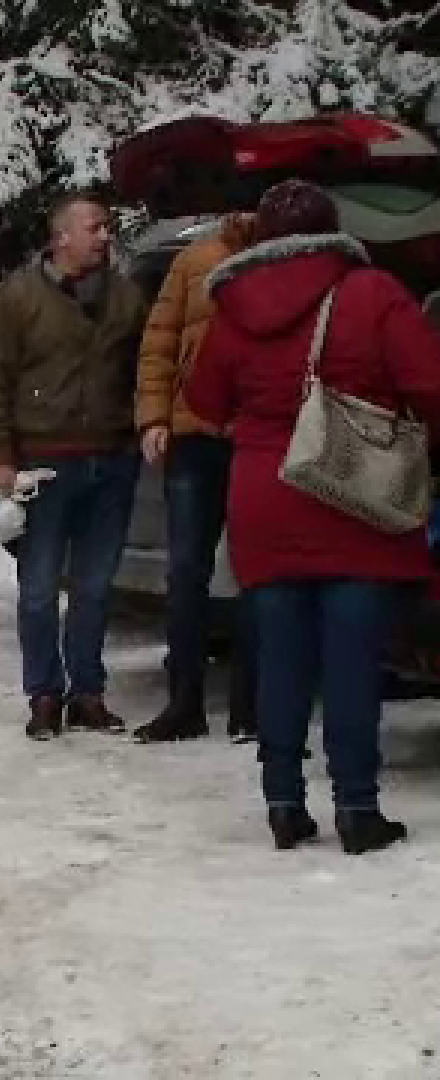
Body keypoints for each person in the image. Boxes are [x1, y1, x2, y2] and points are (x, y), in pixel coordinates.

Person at [183, 178, 440, 854]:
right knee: (351, 660)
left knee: (280, 658)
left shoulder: (232, 306)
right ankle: (357, 808)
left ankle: (284, 803)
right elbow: (429, 383)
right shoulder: (372, 292)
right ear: (334, 229)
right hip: (352, 492)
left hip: (264, 500)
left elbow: (204, 400)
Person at [0, 190, 149, 741]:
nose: (104, 236)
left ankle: (88, 694)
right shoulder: (18, 299)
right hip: (42, 465)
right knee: (40, 589)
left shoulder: (126, 299)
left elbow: (147, 368)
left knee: (95, 588)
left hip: (111, 460)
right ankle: (44, 695)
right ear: (61, 237)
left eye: (107, 227)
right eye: (94, 227)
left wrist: (146, 427)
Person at [132, 211, 262, 744]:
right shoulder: (195, 257)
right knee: (186, 570)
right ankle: (185, 701)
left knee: (257, 571)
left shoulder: (283, 256)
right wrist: (154, 417)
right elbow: (159, 342)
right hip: (192, 433)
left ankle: (248, 708)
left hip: (257, 434)